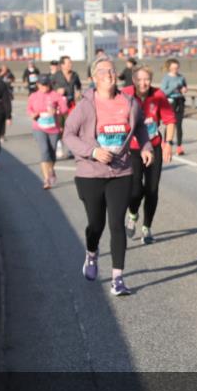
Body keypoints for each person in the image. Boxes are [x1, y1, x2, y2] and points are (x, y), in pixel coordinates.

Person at [61, 57, 153, 296]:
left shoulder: (129, 102)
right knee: (96, 224)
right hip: (91, 174)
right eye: (103, 71)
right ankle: (91, 253)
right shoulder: (85, 106)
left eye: (111, 70)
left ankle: (117, 279)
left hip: (121, 171)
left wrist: (145, 147)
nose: (109, 74)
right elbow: (68, 135)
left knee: (117, 225)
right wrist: (92, 151)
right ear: (93, 77)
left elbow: (141, 126)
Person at [126, 66, 176, 243]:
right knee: (135, 189)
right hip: (132, 148)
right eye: (139, 79)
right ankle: (132, 214)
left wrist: (168, 143)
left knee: (152, 189)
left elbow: (170, 121)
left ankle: (147, 228)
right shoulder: (125, 95)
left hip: (154, 147)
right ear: (133, 80)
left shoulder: (158, 95)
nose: (143, 83)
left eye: (146, 79)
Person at [27, 76, 69, 189]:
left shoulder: (55, 95)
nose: (43, 87)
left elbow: (64, 109)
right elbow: (29, 109)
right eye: (41, 84)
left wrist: (57, 111)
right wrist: (33, 114)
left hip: (53, 128)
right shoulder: (34, 96)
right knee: (44, 151)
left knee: (52, 152)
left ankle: (51, 169)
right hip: (39, 127)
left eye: (46, 84)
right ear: (38, 85)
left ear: (49, 84)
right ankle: (46, 180)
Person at [160, 58, 188, 156]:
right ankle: (165, 143)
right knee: (170, 124)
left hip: (180, 101)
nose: (176, 69)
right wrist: (174, 86)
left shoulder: (181, 77)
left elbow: (184, 87)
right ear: (170, 68)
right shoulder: (166, 78)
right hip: (170, 101)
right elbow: (163, 92)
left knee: (179, 125)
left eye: (177, 67)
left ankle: (179, 147)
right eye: (173, 68)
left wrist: (184, 89)